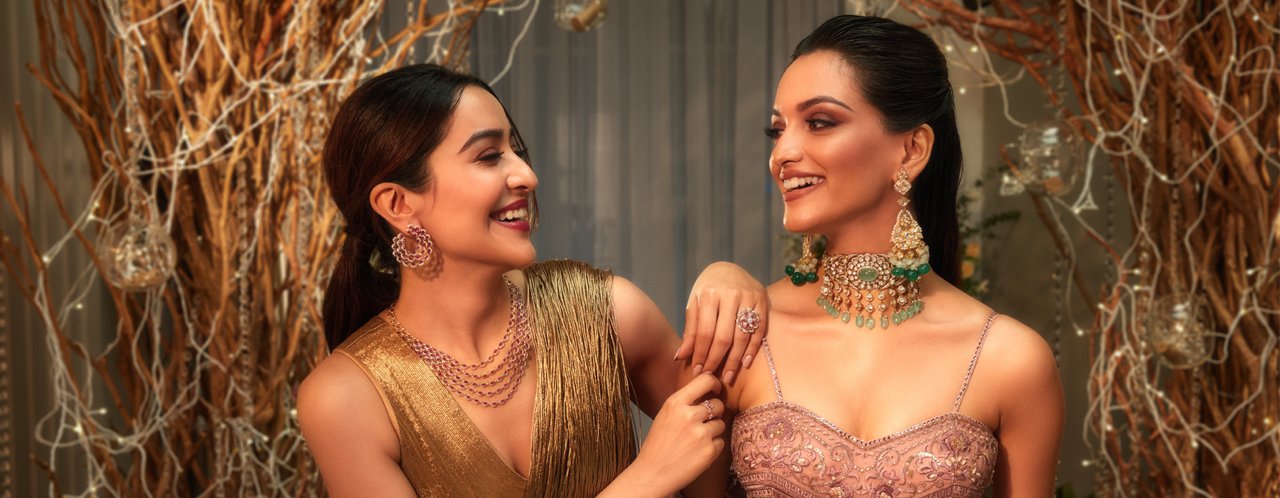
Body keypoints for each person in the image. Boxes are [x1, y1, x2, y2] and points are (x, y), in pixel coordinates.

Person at [297, 64, 767, 497]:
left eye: (516, 152)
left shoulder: (606, 313)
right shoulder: (346, 398)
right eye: (488, 156)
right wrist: (645, 481)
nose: (527, 175)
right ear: (398, 204)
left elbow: (728, 461)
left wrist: (727, 278)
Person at [688, 15, 1065, 497]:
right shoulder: (739, 336)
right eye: (778, 130)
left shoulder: (1010, 360)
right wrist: (719, 272)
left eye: (819, 122)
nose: (783, 152)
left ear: (911, 149)